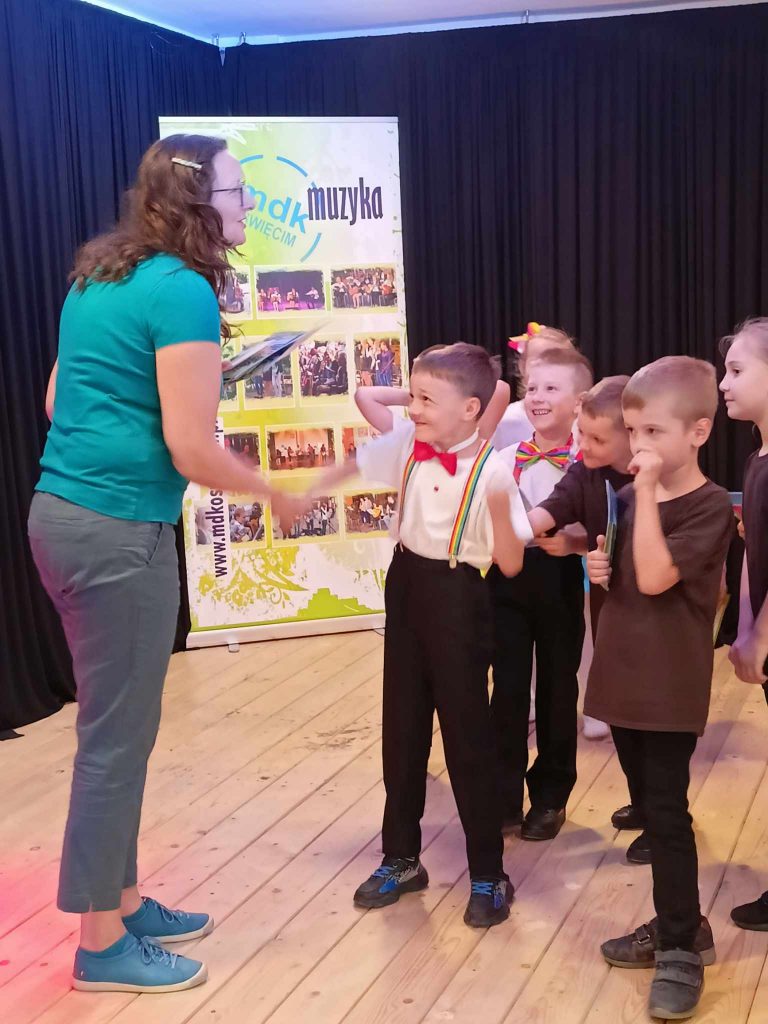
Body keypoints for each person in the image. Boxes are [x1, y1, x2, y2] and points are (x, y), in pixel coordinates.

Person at [27, 134, 300, 995]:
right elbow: (190, 447)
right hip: (117, 532)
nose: (247, 204)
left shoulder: (100, 274)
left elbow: (55, 400)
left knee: (121, 733)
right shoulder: (181, 289)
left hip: (62, 518)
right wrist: (271, 491)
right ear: (196, 200)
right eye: (237, 190)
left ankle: (124, 901)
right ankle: (101, 946)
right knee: (115, 742)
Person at [310, 343, 531, 927]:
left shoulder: (496, 469)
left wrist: (501, 508)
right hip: (405, 585)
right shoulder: (409, 445)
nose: (413, 408)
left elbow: (510, 564)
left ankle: (488, 871)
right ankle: (401, 858)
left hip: (460, 596)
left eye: (427, 399)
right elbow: (361, 442)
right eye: (413, 395)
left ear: (471, 409)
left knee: (467, 737)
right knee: (402, 730)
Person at [586, 357, 733, 1020]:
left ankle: (680, 944)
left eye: (653, 433)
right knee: (649, 807)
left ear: (698, 432)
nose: (638, 446)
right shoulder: (625, 500)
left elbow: (655, 579)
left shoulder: (709, 506)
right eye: (632, 432)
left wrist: (643, 495)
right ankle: (683, 922)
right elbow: (626, 577)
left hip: (668, 689)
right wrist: (598, 565)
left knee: (668, 817)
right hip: (623, 679)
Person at [491, 347, 594, 840]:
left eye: (551, 388)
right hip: (505, 581)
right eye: (531, 387)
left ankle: (551, 796)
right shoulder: (503, 458)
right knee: (507, 689)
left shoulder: (586, 462)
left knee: (557, 688)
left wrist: (576, 539)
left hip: (559, 579)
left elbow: (604, 524)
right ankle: (502, 794)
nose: (537, 396)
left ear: (580, 402)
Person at [528, 376, 633, 747]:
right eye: (581, 434)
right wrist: (509, 529)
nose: (583, 445)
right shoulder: (583, 472)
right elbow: (550, 509)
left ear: (632, 434)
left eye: (597, 439)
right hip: (609, 603)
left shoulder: (660, 477)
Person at [719, 318, 768, 928]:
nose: (724, 383)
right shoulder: (758, 457)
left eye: (737, 370)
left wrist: (763, 635)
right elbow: (755, 551)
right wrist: (746, 628)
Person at [491, 324, 577, 450]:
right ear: (522, 366)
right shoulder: (508, 421)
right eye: (538, 362)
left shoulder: (581, 417)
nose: (545, 370)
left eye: (556, 362)